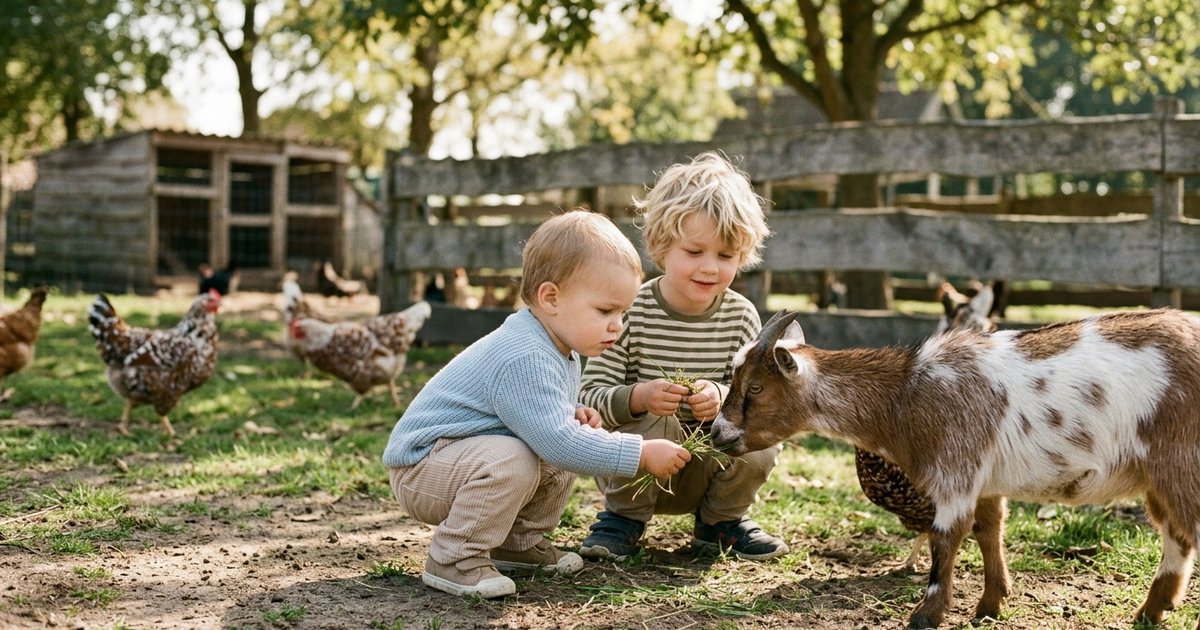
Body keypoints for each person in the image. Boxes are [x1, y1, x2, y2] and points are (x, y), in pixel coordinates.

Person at [382, 210, 692, 599]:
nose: (618, 325)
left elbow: (547, 422)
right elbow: (558, 441)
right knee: (525, 454)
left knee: (562, 442)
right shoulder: (524, 354)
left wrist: (575, 413)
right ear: (551, 298)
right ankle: (454, 558)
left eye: (623, 312)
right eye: (605, 311)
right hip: (423, 468)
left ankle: (516, 543)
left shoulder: (560, 347)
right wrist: (640, 453)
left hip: (461, 459)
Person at [577, 151, 789, 561]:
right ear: (661, 246)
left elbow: (756, 396)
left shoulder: (740, 314)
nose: (710, 267)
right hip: (636, 465)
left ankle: (720, 523)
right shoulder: (632, 310)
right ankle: (623, 520)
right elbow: (590, 394)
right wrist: (639, 397)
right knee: (657, 415)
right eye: (695, 252)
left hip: (706, 468)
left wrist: (720, 395)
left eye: (726, 256)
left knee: (763, 428)